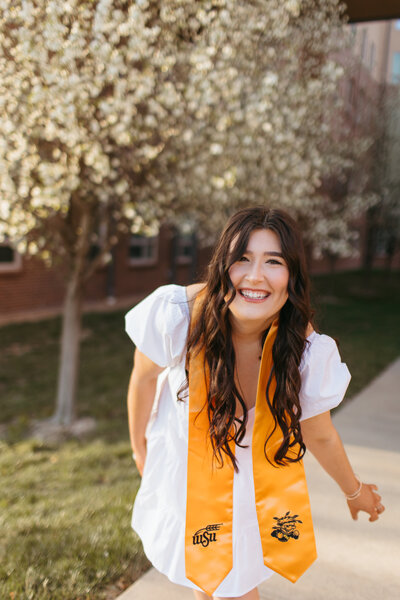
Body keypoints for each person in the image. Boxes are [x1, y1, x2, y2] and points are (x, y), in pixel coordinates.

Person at [125, 206, 384, 600]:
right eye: (241, 258)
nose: (255, 275)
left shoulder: (304, 353)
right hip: (186, 475)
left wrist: (354, 490)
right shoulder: (178, 318)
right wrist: (139, 447)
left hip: (251, 490)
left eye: (273, 261)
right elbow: (142, 379)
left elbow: (320, 434)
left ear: (292, 276)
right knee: (206, 580)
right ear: (222, 266)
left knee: (232, 586)